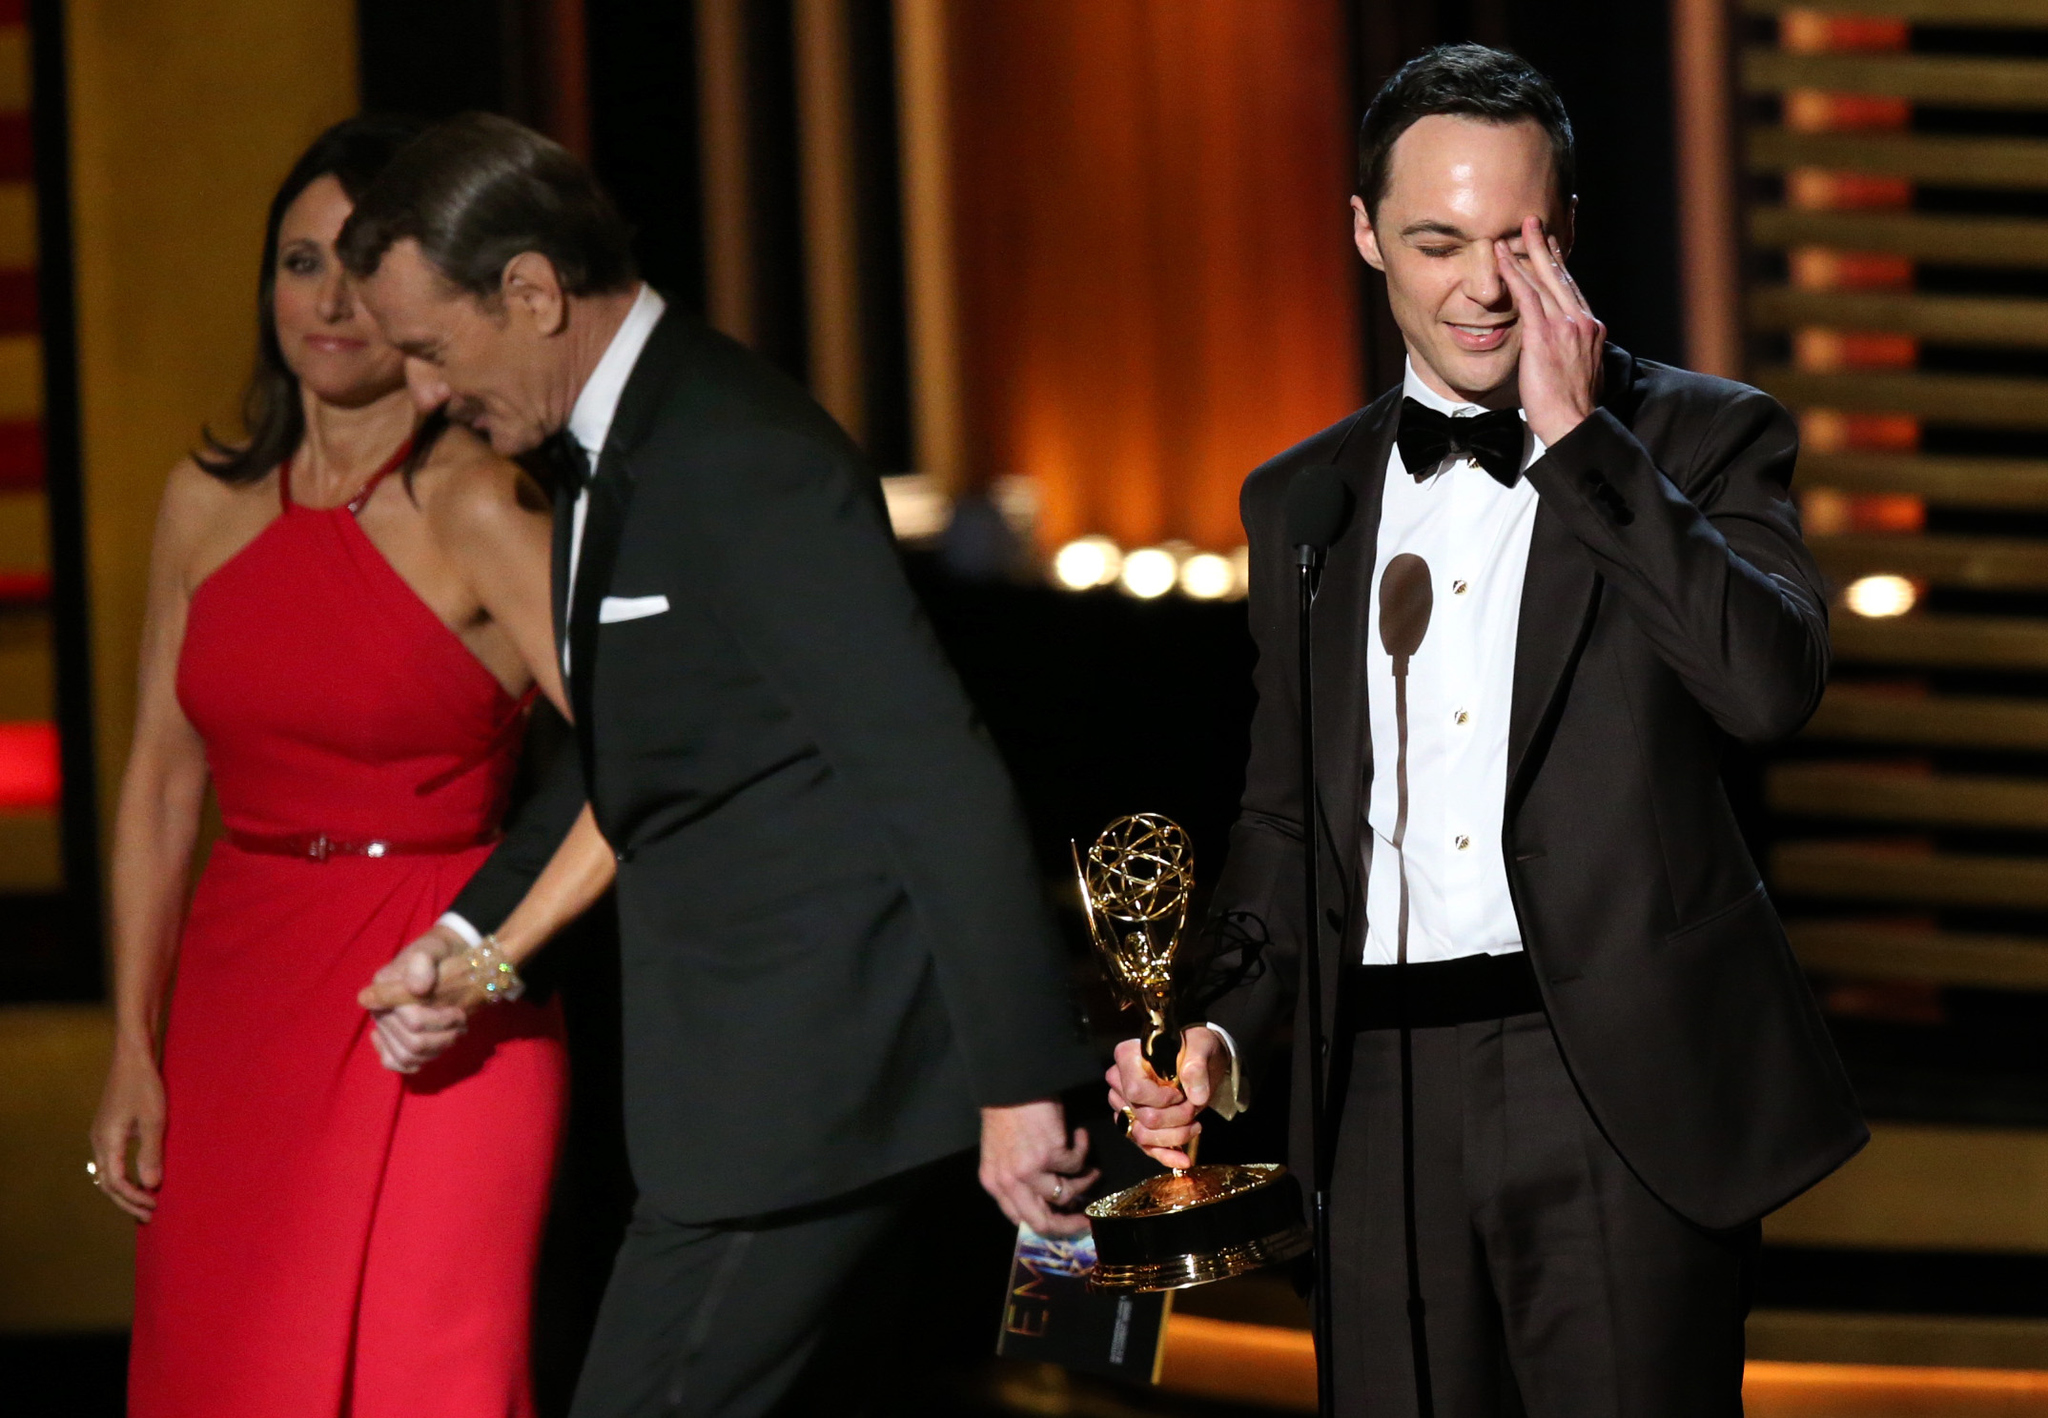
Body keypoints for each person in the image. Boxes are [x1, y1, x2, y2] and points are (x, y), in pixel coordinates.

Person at [1110, 44, 1867, 1418]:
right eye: (1435, 240)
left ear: (1565, 229)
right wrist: (1222, 1028)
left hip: (1614, 1086)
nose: (1476, 285)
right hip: (1375, 1094)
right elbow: (1288, 817)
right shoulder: (1302, 502)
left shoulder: (1701, 438)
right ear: (1363, 236)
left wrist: (1585, 449)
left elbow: (1768, 688)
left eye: (1512, 241)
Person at [339, 112, 1099, 1418]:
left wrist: (1023, 1079)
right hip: (739, 1102)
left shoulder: (731, 451)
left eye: (428, 347)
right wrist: (465, 937)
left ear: (529, 290)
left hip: (807, 1097)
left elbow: (929, 765)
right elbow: (632, 750)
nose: (421, 392)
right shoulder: (602, 451)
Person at [87, 116, 574, 1418]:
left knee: (430, 1380)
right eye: (303, 262)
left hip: (438, 1009)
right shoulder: (204, 501)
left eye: (367, 267)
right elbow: (158, 786)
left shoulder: (479, 500)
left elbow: (645, 749)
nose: (334, 299)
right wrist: (133, 1042)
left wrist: (493, 951)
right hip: (239, 1000)